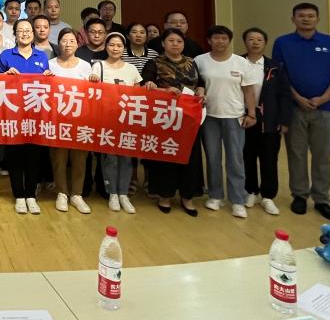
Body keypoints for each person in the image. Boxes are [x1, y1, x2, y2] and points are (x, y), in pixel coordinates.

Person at [272, 2, 330, 221]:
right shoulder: (283, 43)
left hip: (326, 108)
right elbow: (279, 74)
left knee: (322, 155)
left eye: (310, 16)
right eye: (301, 16)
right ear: (293, 19)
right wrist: (297, 97)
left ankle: (322, 199)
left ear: (317, 19)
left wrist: (324, 98)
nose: (306, 19)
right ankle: (299, 195)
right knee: (296, 153)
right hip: (294, 108)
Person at [195, 25, 259, 219]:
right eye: (216, 38)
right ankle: (215, 195)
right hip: (209, 117)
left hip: (234, 116)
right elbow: (196, 85)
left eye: (224, 38)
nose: (220, 41)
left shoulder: (241, 62)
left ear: (229, 41)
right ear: (209, 40)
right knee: (212, 158)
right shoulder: (200, 61)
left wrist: (251, 114)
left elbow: (249, 91)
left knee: (235, 159)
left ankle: (237, 199)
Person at [142, 28, 206, 216]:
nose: (175, 44)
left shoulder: (192, 62)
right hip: (165, 117)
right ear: (163, 43)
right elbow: (146, 86)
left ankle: (187, 196)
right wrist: (164, 91)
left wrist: (201, 91)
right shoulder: (154, 63)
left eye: (179, 41)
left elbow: (200, 83)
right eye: (171, 41)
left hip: (190, 118)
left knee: (190, 156)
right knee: (166, 154)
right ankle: (165, 195)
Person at [0, 19, 49, 215]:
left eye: (28, 30)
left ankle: (31, 196)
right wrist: (5, 75)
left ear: (33, 34)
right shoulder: (5, 55)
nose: (25, 34)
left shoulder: (42, 56)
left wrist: (49, 77)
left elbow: (48, 86)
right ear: (15, 34)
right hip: (13, 115)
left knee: (34, 157)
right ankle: (19, 195)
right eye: (21, 31)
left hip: (36, 115)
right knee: (15, 157)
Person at [241, 27, 292, 216]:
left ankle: (268, 196)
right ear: (245, 42)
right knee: (247, 156)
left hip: (270, 119)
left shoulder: (275, 66)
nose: (255, 42)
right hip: (244, 117)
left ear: (265, 43)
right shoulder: (237, 62)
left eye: (259, 39)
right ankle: (250, 191)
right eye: (251, 39)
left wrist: (284, 120)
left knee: (269, 158)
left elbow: (285, 95)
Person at [96, 33, 143, 214]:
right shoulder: (98, 66)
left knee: (126, 158)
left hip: (127, 120)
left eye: (119, 45)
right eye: (112, 45)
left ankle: (124, 193)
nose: (115, 48)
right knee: (110, 158)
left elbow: (139, 95)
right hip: (106, 120)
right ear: (106, 46)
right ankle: (112, 194)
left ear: (124, 48)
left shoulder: (131, 69)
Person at [47, 29, 93, 214]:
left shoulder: (85, 66)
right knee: (58, 157)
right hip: (57, 119)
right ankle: (62, 193)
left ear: (77, 44)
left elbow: (91, 94)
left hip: (80, 119)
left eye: (71, 41)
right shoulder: (50, 65)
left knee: (79, 158)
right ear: (58, 43)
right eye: (64, 41)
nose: (67, 44)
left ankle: (77, 194)